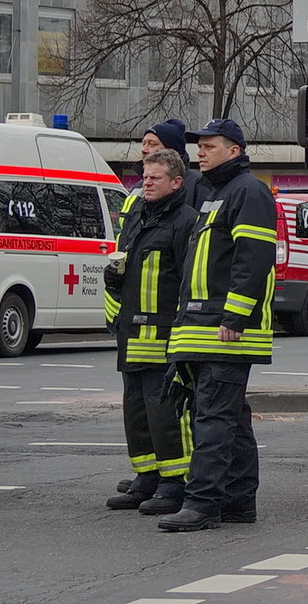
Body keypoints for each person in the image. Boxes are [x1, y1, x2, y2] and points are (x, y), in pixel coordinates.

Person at [159, 118, 277, 532]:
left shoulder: (247, 192)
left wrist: (235, 317)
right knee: (229, 417)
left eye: (210, 146)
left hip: (225, 330)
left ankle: (203, 503)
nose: (200, 153)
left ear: (234, 151)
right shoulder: (218, 194)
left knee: (211, 417)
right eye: (200, 146)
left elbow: (252, 260)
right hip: (205, 326)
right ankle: (239, 500)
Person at [103, 149, 199, 516]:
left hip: (163, 334)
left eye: (154, 178)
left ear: (176, 182)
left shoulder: (185, 222)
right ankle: (146, 477)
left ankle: (175, 483)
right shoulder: (138, 216)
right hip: (132, 333)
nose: (146, 183)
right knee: (137, 411)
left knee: (166, 414)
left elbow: (188, 280)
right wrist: (114, 279)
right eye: (144, 177)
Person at [119, 118, 203, 227]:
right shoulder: (138, 186)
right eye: (144, 143)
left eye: (152, 144)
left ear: (171, 150)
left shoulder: (197, 184)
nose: (144, 149)